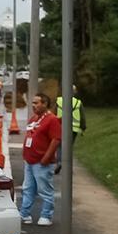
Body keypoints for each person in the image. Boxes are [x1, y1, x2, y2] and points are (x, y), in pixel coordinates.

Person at [20, 93, 62, 225]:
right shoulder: (33, 119)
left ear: (44, 104)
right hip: (30, 160)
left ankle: (46, 215)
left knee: (44, 189)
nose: (33, 105)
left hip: (41, 161)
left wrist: (47, 157)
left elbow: (56, 140)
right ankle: (25, 213)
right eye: (32, 103)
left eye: (36, 103)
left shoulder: (51, 120)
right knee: (28, 188)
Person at [54, 85, 84, 175]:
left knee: (59, 146)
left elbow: (54, 113)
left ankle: (59, 162)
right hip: (73, 129)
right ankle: (68, 167)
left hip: (60, 127)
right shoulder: (78, 103)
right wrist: (83, 128)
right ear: (74, 92)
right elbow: (82, 117)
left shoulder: (59, 101)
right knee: (69, 148)